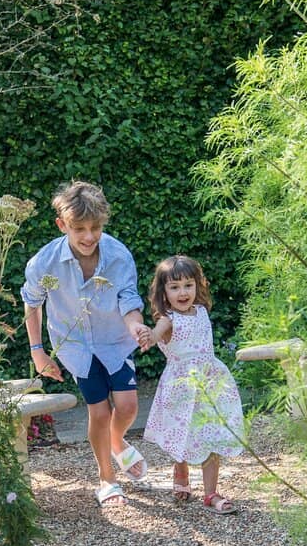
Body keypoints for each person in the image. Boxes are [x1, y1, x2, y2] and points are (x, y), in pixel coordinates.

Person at [21, 181, 152, 507]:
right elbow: (32, 305)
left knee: (127, 407)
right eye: (79, 228)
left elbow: (128, 300)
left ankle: (116, 443)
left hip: (115, 340)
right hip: (75, 344)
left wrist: (137, 327)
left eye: (95, 227)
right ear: (62, 225)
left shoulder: (119, 255)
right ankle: (107, 480)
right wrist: (38, 352)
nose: (89, 236)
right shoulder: (44, 263)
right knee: (99, 409)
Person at [143, 255, 244, 514]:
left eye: (188, 285)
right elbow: (156, 334)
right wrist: (149, 337)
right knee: (183, 434)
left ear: (198, 285)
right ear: (163, 292)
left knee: (211, 433)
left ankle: (211, 493)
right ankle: (181, 470)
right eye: (174, 287)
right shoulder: (168, 319)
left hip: (210, 383)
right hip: (182, 387)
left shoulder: (201, 311)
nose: (183, 292)